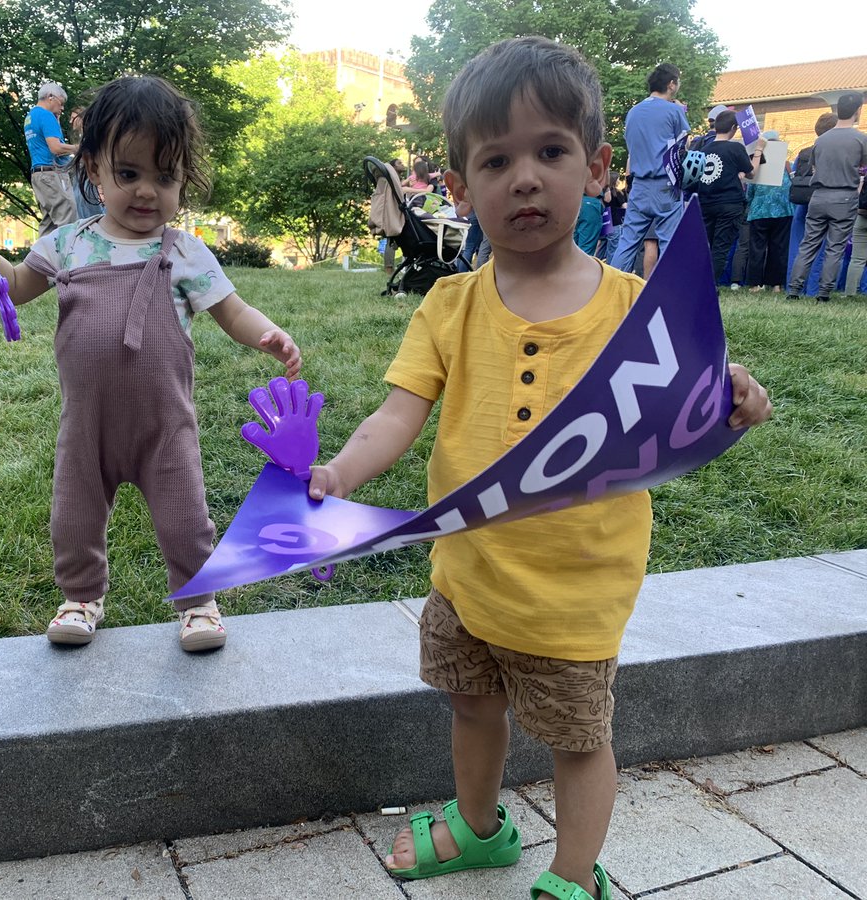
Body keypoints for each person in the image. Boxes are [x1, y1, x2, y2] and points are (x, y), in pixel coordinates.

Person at [305, 37, 772, 900]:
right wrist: (338, 473)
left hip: (575, 595)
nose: (525, 178)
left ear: (596, 169)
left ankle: (571, 877)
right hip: (467, 578)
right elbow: (396, 416)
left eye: (550, 152)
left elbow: (695, 410)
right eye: (496, 160)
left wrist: (734, 398)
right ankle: (480, 830)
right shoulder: (450, 306)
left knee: (576, 741)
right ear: (458, 188)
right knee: (471, 707)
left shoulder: (638, 309)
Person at [0, 75, 301, 651]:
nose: (147, 192)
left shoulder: (184, 251)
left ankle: (198, 603)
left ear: (184, 179)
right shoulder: (66, 244)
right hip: (87, 422)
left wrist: (267, 336)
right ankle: (81, 597)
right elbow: (10, 287)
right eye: (129, 174)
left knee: (187, 520)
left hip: (164, 424)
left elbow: (232, 310)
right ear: (93, 170)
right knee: (74, 517)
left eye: (165, 177)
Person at [609, 63, 690, 276]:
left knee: (627, 242)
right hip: (666, 184)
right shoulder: (674, 110)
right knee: (670, 243)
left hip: (639, 185)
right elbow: (683, 148)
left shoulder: (633, 112)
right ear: (671, 84)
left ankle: (614, 287)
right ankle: (667, 290)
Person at [787, 92, 867, 302]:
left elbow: (814, 167)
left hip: (819, 196)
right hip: (845, 197)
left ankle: (794, 290)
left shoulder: (820, 140)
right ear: (858, 111)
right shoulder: (860, 139)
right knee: (835, 247)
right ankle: (823, 294)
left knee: (808, 244)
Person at [695, 109, 763, 283]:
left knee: (707, 245)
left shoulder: (704, 148)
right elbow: (751, 173)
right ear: (734, 127)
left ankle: (700, 281)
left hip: (706, 203)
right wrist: (758, 151)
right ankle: (710, 284)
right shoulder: (735, 147)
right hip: (730, 204)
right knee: (721, 247)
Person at [24, 81, 78, 237]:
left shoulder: (30, 116)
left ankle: (39, 260)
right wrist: (78, 148)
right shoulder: (46, 116)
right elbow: (56, 148)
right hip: (52, 173)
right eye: (61, 103)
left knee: (49, 224)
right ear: (50, 97)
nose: (62, 108)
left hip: (39, 175)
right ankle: (70, 259)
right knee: (68, 217)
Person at [745, 131, 795, 293]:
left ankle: (755, 284)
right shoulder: (787, 166)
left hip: (759, 211)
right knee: (779, 249)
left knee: (757, 248)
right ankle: (776, 285)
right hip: (783, 211)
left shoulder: (759, 166)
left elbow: (750, 191)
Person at [68, 106, 106, 220]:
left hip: (85, 174)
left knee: (85, 197)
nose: (71, 122)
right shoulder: (80, 137)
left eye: (73, 118)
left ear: (82, 118)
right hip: (79, 174)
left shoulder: (89, 136)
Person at [601, 172, 626, 263]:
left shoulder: (604, 191)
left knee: (603, 246)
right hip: (615, 222)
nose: (619, 181)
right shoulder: (617, 193)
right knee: (614, 248)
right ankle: (611, 266)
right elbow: (625, 206)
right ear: (614, 180)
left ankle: (598, 263)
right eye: (618, 179)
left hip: (605, 221)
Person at [573, 181, 603, 254]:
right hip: (591, 202)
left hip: (574, 200)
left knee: (571, 243)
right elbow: (608, 198)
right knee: (586, 246)